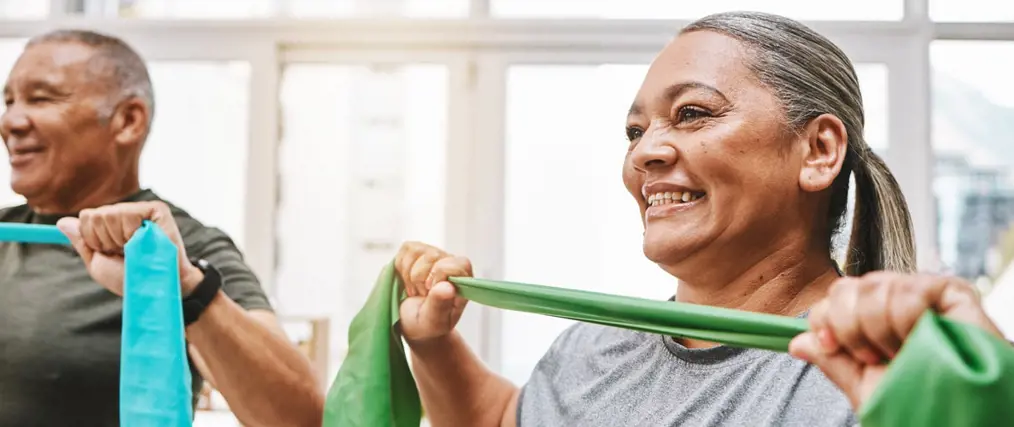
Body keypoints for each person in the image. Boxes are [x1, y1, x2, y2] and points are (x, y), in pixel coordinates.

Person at [391, 11, 1006, 427]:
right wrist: (434, 343)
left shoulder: (893, 370)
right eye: (635, 131)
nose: (644, 152)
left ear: (817, 151)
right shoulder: (590, 350)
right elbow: (504, 418)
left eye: (691, 114)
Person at [0, 30, 323, 426]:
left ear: (127, 121)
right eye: (9, 100)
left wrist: (188, 287)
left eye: (42, 98)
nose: (11, 121)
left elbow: (301, 417)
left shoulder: (181, 248)